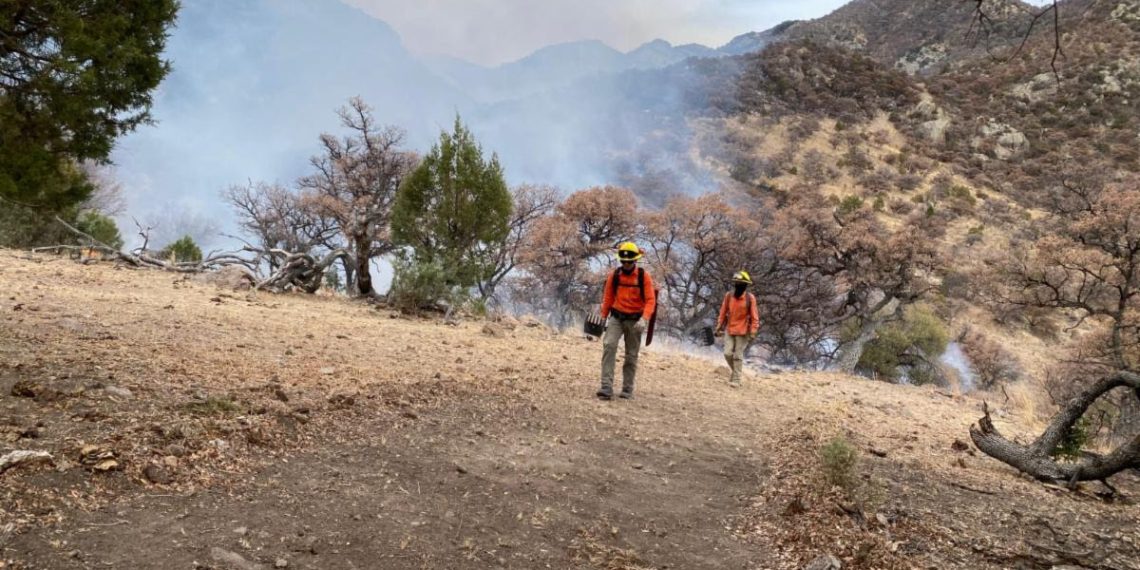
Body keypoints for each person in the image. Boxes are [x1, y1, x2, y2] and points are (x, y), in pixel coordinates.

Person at [597, 241, 656, 400]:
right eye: (624, 261)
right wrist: (603, 317)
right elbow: (608, 297)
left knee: (631, 355)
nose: (626, 264)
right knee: (609, 345)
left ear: (635, 260)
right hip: (616, 317)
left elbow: (651, 300)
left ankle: (627, 388)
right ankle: (606, 386)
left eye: (629, 261)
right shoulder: (614, 276)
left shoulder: (644, 277)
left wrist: (644, 319)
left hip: (635, 320)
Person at [715, 270, 759, 388]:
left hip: (744, 331)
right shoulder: (729, 296)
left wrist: (753, 330)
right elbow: (723, 312)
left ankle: (736, 380)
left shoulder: (750, 298)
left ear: (745, 285)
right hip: (730, 329)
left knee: (737, 356)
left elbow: (755, 316)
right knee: (727, 353)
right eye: (736, 283)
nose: (737, 285)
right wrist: (719, 327)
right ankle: (736, 374)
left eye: (740, 283)